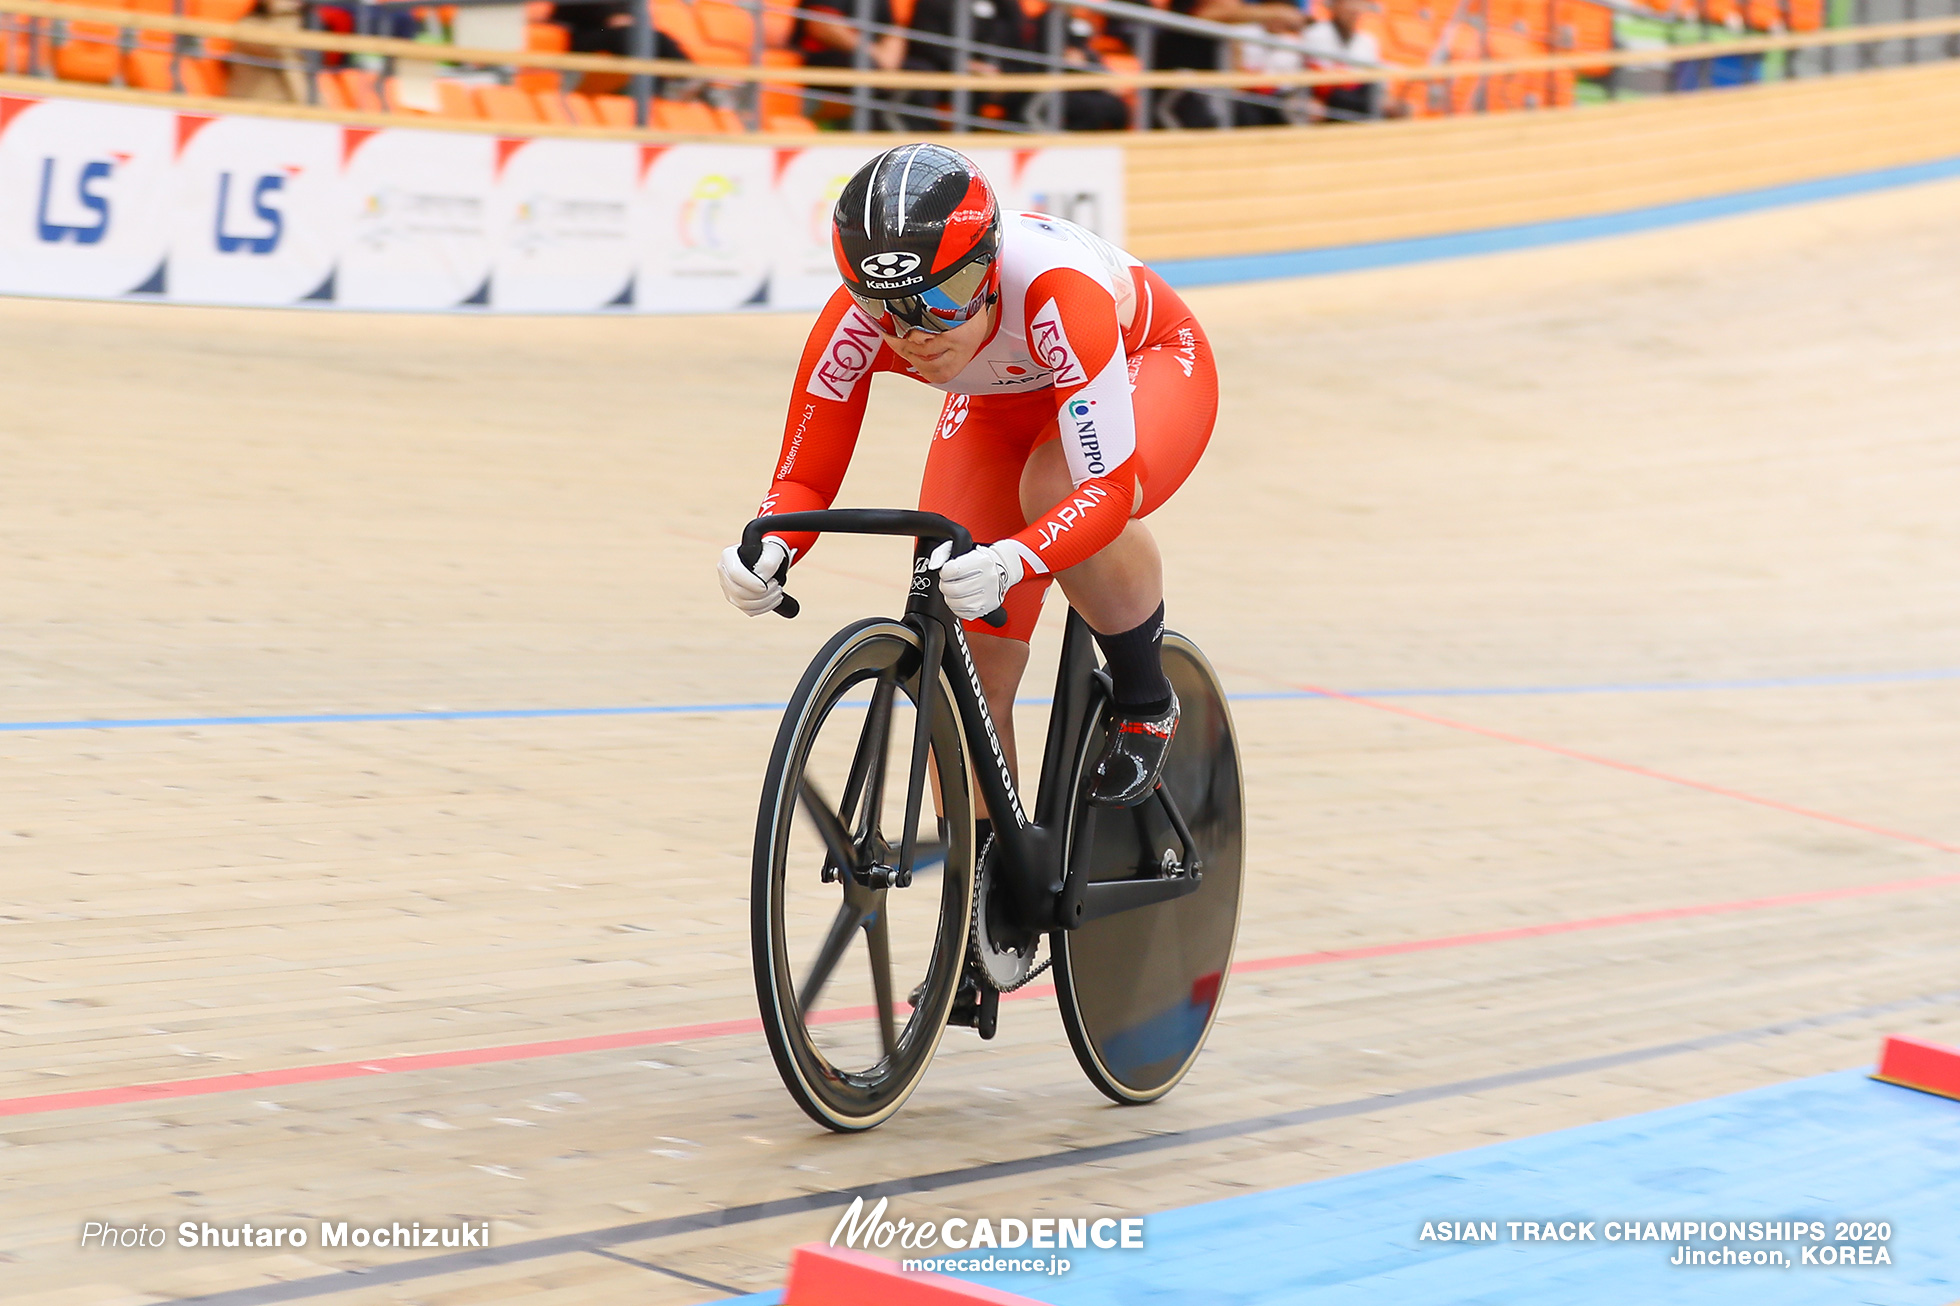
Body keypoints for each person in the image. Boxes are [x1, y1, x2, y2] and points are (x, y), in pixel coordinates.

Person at [718, 143, 1218, 810]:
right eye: (883, 306)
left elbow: (1104, 488)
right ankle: (987, 888)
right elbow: (802, 482)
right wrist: (772, 544)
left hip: (1142, 361)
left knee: (1053, 486)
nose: (915, 333)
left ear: (986, 270)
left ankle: (1146, 698)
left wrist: (1015, 559)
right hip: (997, 397)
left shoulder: (1055, 290)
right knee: (959, 682)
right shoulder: (859, 324)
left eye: (944, 299)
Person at [1150, 0, 1307, 127]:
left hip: (1213, 90)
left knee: (1265, 110)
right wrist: (1273, 13)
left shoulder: (1230, 28)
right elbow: (1206, 14)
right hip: (1179, 91)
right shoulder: (1192, 17)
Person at [1301, 0, 1407, 120]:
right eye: (1348, 3)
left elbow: (1376, 84)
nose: (1354, 9)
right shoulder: (1317, 33)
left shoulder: (1367, 41)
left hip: (1357, 98)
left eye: (1358, 4)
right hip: (1329, 98)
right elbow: (1320, 82)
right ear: (1334, 5)